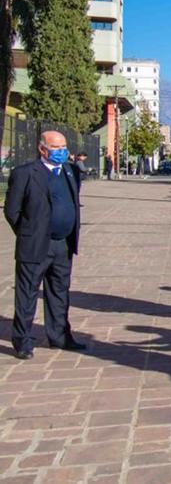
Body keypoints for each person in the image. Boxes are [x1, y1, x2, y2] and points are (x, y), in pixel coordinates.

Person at [3, 131, 86, 359]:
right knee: (27, 294)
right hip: (36, 245)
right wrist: (28, 233)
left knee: (59, 292)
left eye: (64, 146)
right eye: (56, 147)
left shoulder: (70, 171)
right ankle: (22, 340)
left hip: (63, 244)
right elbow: (12, 210)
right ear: (42, 149)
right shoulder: (26, 173)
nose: (62, 151)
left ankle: (59, 336)